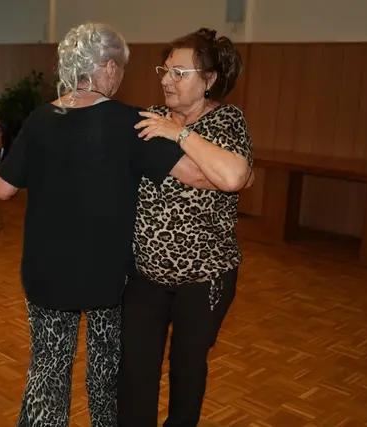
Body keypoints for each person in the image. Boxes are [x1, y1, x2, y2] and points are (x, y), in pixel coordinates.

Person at [0, 22, 214, 427]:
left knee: (48, 371)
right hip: (106, 277)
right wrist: (221, 161)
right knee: (105, 375)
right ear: (109, 68)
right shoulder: (132, 123)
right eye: (122, 69)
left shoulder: (40, 119)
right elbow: (199, 176)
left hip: (46, 272)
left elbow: (1, 188)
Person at [117, 28, 254, 427]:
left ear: (209, 80)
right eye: (165, 70)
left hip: (205, 275)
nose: (166, 80)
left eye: (179, 73)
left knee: (187, 368)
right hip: (145, 274)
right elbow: (228, 177)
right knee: (136, 371)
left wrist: (178, 133)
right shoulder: (148, 118)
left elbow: (233, 177)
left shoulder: (227, 120)